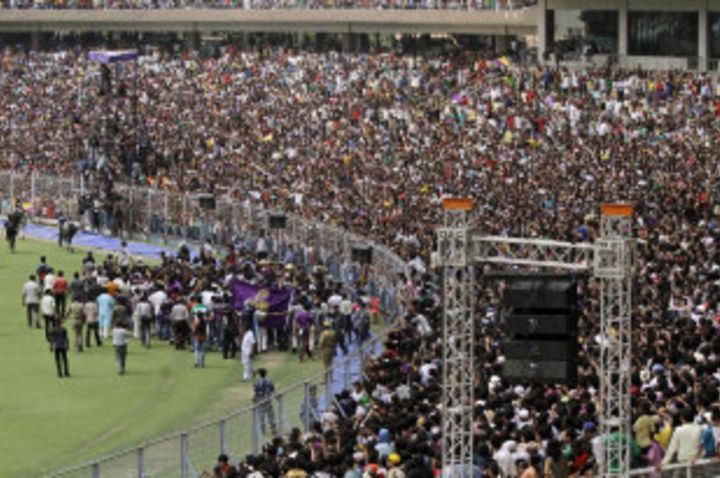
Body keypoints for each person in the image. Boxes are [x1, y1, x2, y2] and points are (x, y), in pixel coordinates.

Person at [253, 368, 277, 436]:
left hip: (260, 402)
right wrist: (276, 397)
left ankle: (263, 431)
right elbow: (273, 390)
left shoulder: (256, 382)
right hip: (268, 401)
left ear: (259, 374)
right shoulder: (269, 381)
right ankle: (273, 429)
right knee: (271, 416)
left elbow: (256, 393)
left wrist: (255, 400)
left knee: (261, 417)